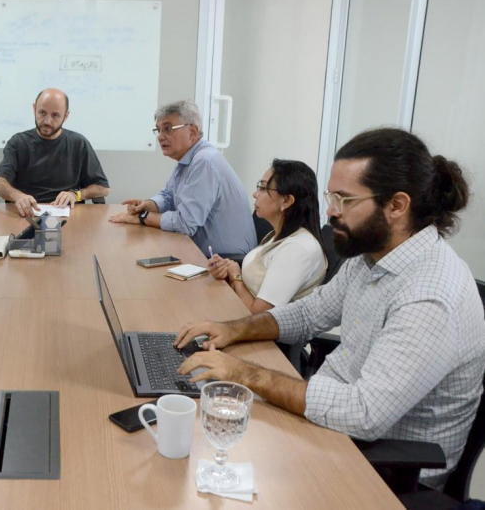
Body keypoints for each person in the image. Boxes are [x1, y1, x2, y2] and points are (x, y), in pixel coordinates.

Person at [174, 128, 484, 489]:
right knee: (199, 444)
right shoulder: (370, 257)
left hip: (385, 472)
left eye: (345, 200)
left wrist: (242, 373)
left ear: (397, 206)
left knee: (216, 460)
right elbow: (309, 313)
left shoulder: (431, 294)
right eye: (331, 196)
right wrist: (234, 329)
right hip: (335, 429)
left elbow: (363, 413)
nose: (332, 212)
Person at [109, 100, 256, 257]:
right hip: (201, 252)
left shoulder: (204, 161)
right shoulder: (188, 159)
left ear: (192, 132)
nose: (160, 137)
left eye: (168, 129)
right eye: (158, 130)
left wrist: (143, 218)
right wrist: (147, 205)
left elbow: (186, 223)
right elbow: (169, 195)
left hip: (226, 261)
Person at [208, 160, 327, 314]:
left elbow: (260, 316)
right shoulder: (277, 235)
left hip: (258, 334)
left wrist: (236, 277)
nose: (255, 194)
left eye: (263, 188)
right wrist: (228, 270)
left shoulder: (297, 249)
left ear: (287, 200)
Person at [0, 88, 110, 217]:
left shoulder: (78, 143)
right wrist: (18, 196)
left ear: (66, 116)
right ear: (34, 109)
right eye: (42, 113)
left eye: (55, 115)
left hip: (67, 216)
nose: (47, 121)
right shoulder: (18, 142)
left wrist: (76, 194)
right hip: (26, 214)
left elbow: (102, 188)